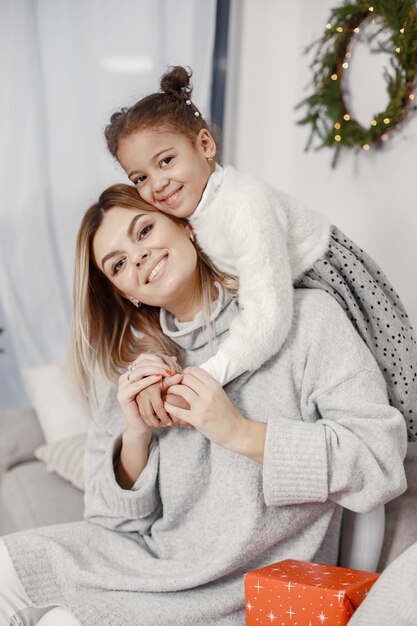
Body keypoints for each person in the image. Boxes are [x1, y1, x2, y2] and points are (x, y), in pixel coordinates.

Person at [0, 185, 407, 625]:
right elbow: (109, 522)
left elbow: (380, 463)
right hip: (147, 564)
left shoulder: (307, 320)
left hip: (239, 589)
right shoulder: (142, 370)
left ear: (186, 227)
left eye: (144, 231)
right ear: (125, 293)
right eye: (117, 263)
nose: (136, 257)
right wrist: (136, 433)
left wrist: (240, 432)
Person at [104, 65, 417, 442]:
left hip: (325, 278)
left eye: (166, 161)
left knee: (388, 385)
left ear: (205, 145)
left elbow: (267, 319)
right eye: (140, 178)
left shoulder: (245, 204)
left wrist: (209, 373)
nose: (157, 184)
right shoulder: (190, 212)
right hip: (277, 286)